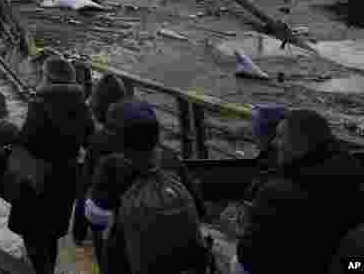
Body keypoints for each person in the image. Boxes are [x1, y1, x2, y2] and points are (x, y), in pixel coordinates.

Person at [234, 109, 364, 274]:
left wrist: (244, 231)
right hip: (345, 266)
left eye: (280, 137)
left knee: (236, 264)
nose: (274, 143)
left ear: (299, 143)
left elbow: (251, 257)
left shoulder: (276, 193)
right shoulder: (353, 175)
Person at [86, 99, 208, 274]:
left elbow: (96, 217)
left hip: (126, 262)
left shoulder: (110, 166)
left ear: (118, 137)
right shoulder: (171, 160)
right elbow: (199, 209)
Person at [8, 56, 94, 274]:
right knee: (51, 233)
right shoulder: (81, 105)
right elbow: (89, 140)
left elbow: (29, 140)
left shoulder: (39, 103)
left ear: (48, 77)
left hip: (38, 178)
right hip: (66, 177)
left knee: (32, 232)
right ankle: (48, 269)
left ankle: (42, 271)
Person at [75, 74, 129, 252]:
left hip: (108, 219)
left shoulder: (99, 141)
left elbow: (86, 187)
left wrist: (79, 231)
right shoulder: (142, 134)